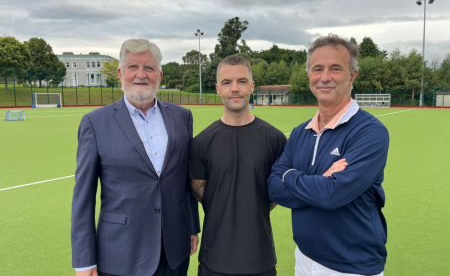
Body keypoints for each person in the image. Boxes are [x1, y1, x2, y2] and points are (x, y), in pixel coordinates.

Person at [71, 39, 200, 276]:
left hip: (174, 252)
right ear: (120, 73)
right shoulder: (95, 123)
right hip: (121, 254)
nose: (141, 74)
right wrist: (84, 261)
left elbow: (185, 179)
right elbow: (83, 198)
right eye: (133, 67)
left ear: (159, 75)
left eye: (149, 68)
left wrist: (192, 226)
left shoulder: (182, 117)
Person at [268, 34, 389, 276]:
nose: (325, 77)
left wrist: (291, 175)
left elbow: (332, 195)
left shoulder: (371, 132)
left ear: (352, 75)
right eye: (318, 69)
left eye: (335, 69)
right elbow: (274, 188)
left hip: (352, 266)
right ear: (309, 75)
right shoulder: (300, 132)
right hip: (304, 257)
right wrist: (321, 184)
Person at [188, 56, 286, 276]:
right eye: (226, 83)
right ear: (218, 89)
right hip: (214, 260)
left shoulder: (275, 139)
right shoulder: (201, 142)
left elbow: (275, 195)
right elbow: (200, 192)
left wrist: (251, 205)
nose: (235, 89)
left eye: (242, 81)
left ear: (251, 86)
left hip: (260, 260)